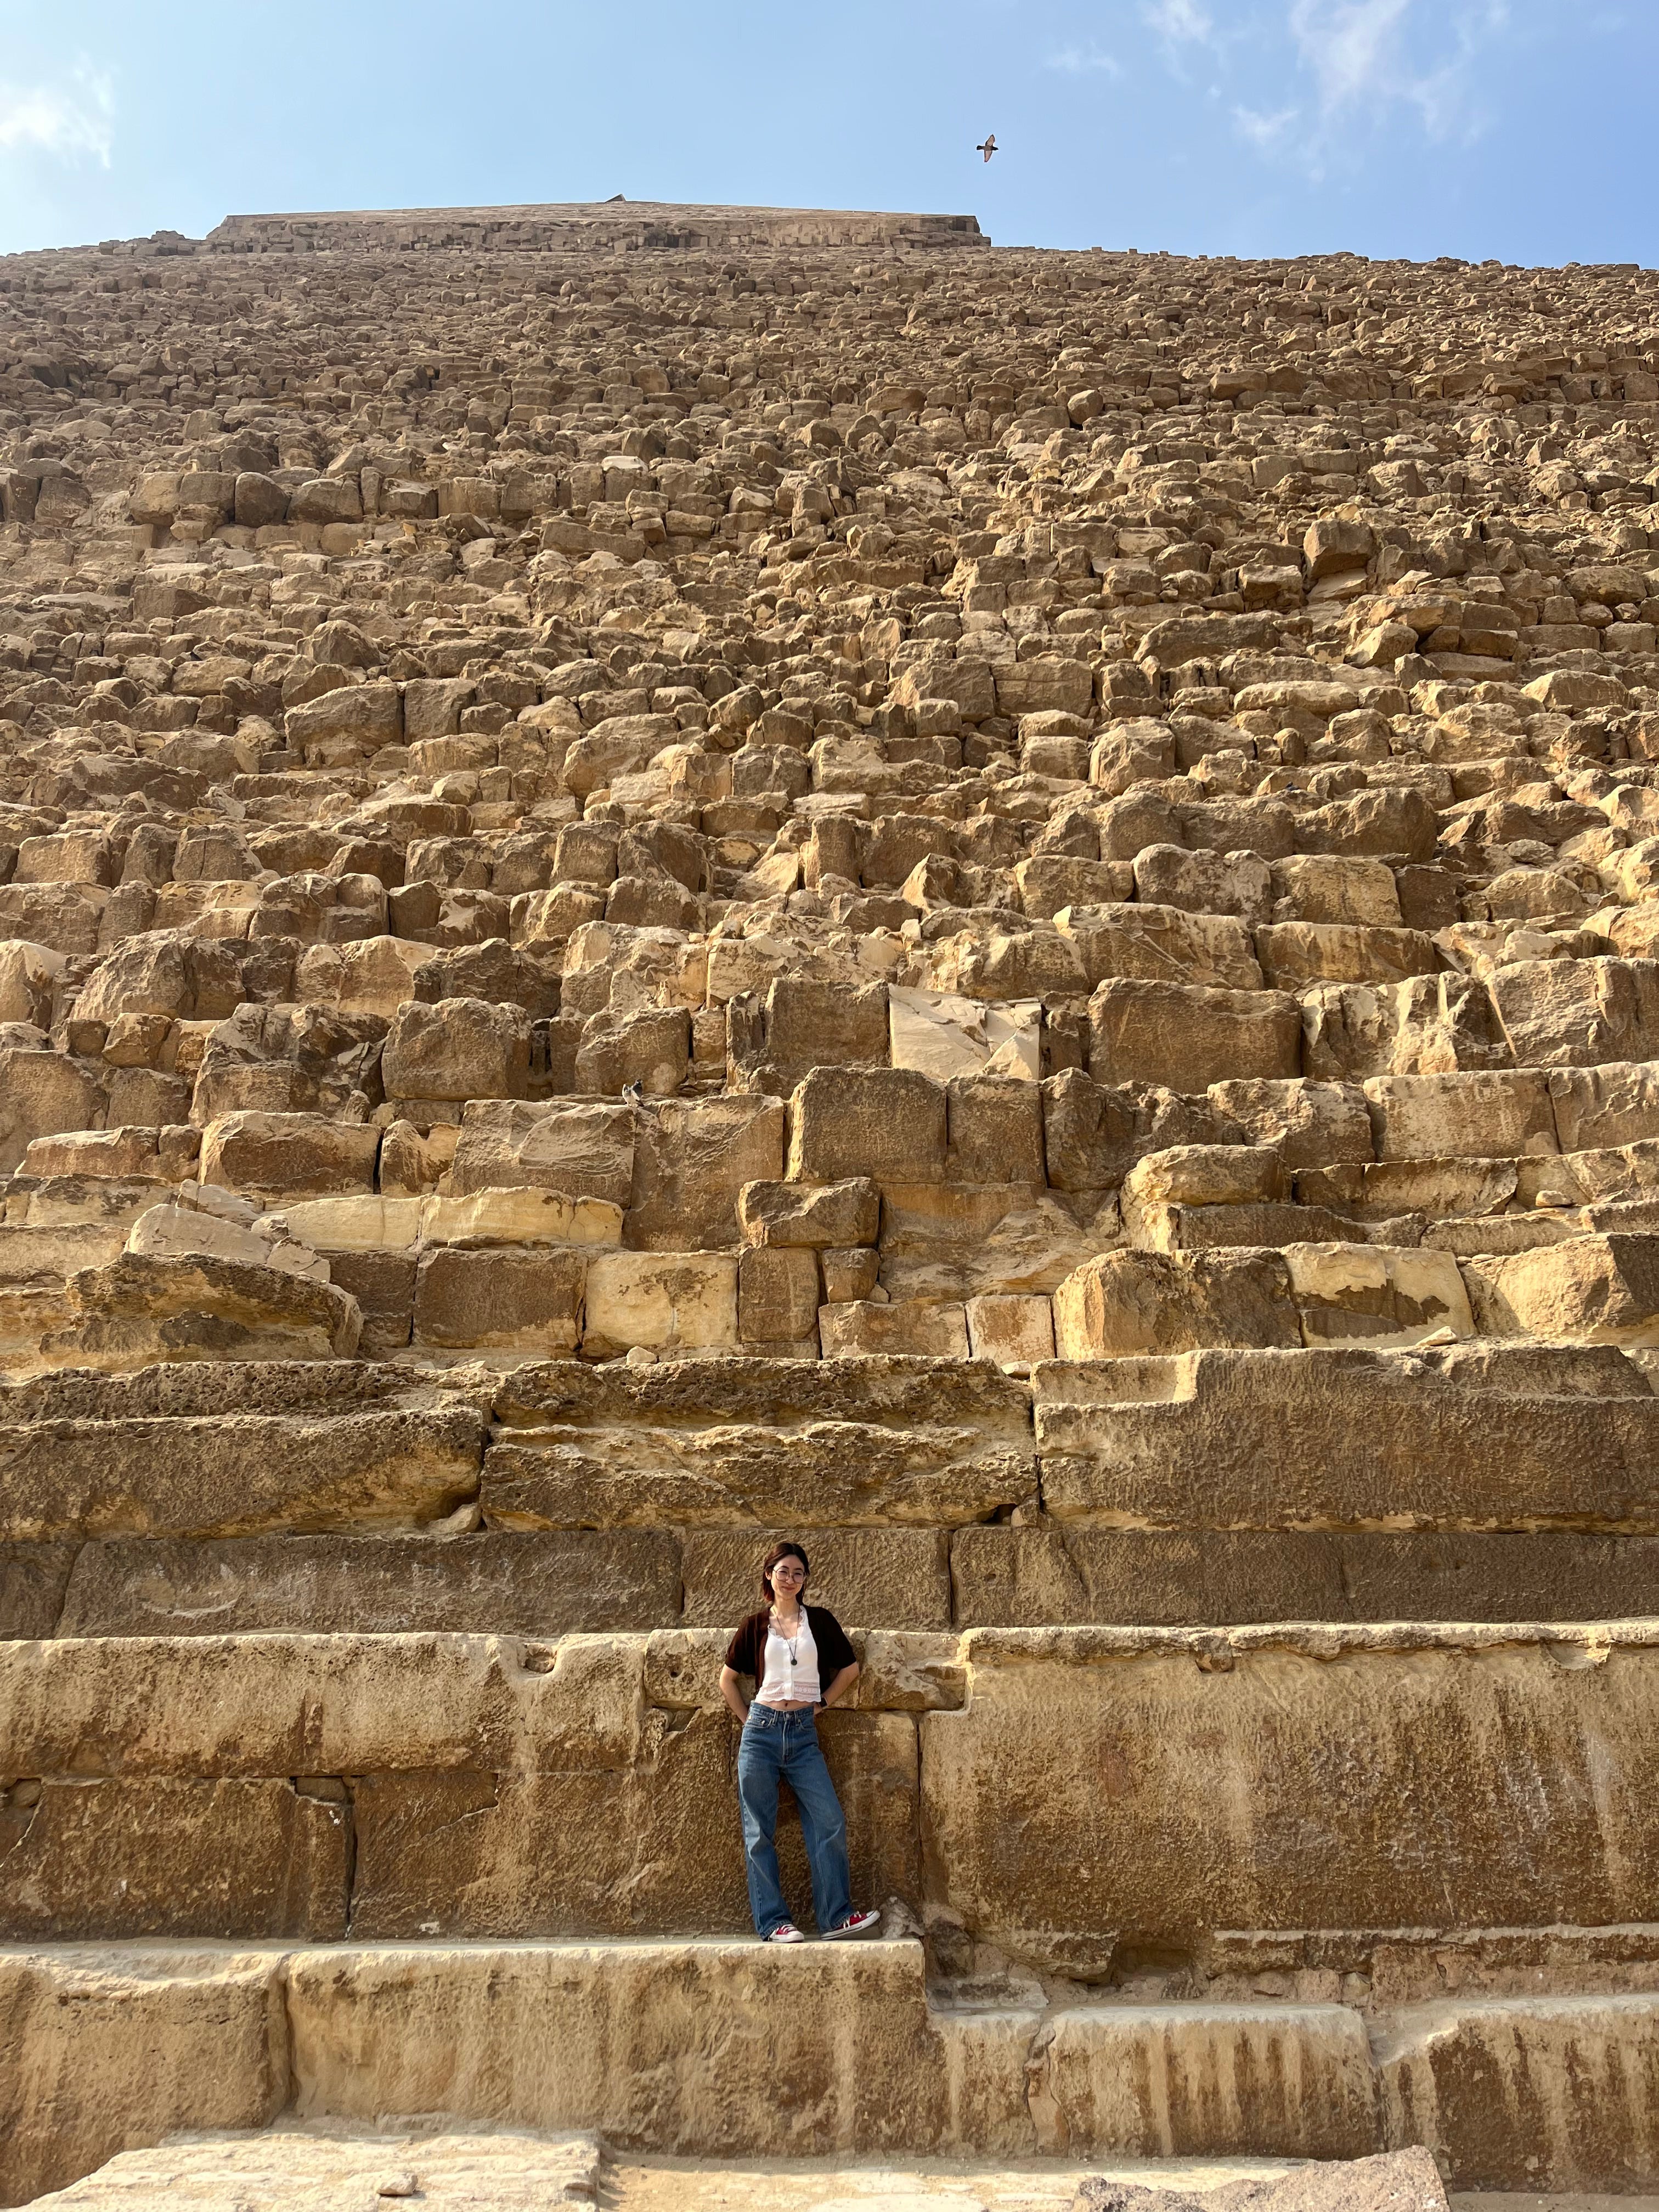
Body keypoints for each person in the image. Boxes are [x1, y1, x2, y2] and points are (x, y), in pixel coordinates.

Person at [719, 1540, 883, 1945]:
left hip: (804, 1734)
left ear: (805, 1579)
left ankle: (836, 1916)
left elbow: (850, 1669)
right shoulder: (754, 1626)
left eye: (798, 1573)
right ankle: (774, 1922)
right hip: (761, 1731)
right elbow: (728, 1680)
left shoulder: (821, 1622)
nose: (790, 1579)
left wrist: (822, 1703)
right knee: (759, 1830)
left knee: (828, 1820)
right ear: (768, 1575)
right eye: (783, 1571)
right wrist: (751, 1723)